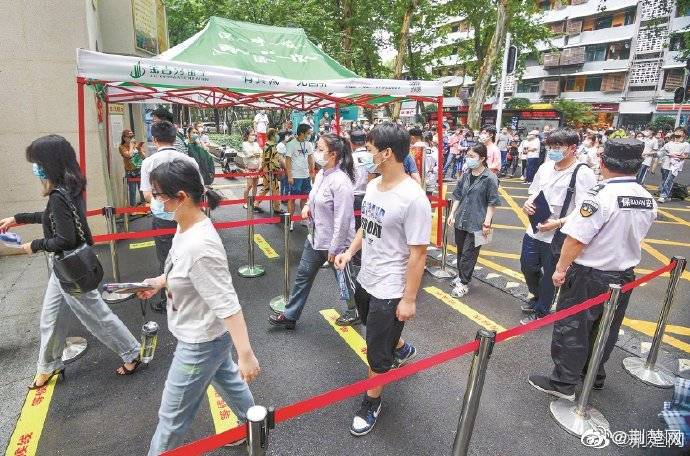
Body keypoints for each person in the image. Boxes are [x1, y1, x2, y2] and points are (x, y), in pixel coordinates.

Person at [138, 160, 259, 455]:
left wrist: (246, 354)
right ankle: (255, 424)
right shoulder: (185, 226)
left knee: (171, 418)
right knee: (229, 380)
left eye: (158, 195)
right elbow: (183, 271)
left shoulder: (199, 246)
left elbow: (228, 304)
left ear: (181, 196)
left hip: (199, 343)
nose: (153, 201)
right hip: (207, 337)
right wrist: (160, 281)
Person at [0, 135, 141, 388]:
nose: (36, 167)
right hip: (69, 265)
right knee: (51, 318)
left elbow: (65, 238)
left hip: (71, 266)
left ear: (50, 163)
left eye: (37, 162)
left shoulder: (58, 194)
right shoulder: (71, 185)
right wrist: (18, 218)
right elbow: (53, 217)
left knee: (96, 317)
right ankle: (47, 366)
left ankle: (131, 352)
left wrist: (32, 246)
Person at [529, 138, 656, 400]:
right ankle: (594, 373)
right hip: (624, 275)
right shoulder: (646, 198)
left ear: (603, 162)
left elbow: (576, 238)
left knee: (573, 327)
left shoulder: (600, 196)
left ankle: (563, 383)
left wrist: (560, 269)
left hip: (590, 275)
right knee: (606, 327)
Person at [334, 122, 431, 436]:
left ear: (387, 153)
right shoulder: (374, 186)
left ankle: (372, 401)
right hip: (367, 277)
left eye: (371, 149)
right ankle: (400, 347)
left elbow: (418, 254)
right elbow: (368, 224)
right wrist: (350, 252)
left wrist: (409, 299)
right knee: (374, 328)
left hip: (391, 287)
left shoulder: (414, 199)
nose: (365, 154)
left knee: (375, 350)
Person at [269, 134, 360, 329]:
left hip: (337, 244)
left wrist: (335, 249)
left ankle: (355, 310)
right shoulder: (320, 174)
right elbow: (313, 196)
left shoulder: (341, 182)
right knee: (303, 276)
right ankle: (290, 315)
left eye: (319, 149)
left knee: (344, 282)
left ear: (333, 154)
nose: (315, 153)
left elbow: (343, 220)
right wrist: (307, 206)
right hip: (316, 238)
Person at [519, 128, 597, 324]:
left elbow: (584, 209)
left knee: (549, 274)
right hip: (534, 228)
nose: (553, 151)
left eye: (557, 147)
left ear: (572, 148)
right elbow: (534, 190)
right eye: (551, 147)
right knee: (528, 266)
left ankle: (542, 310)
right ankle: (537, 296)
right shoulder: (545, 167)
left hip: (558, 234)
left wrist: (559, 222)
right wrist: (528, 202)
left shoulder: (582, 173)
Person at [140, 121, 200, 313]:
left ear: (154, 139)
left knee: (167, 258)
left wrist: (162, 200)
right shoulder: (189, 161)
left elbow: (147, 195)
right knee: (191, 256)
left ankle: (170, 301)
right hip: (188, 217)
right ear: (175, 138)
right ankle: (191, 295)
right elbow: (200, 190)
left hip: (162, 217)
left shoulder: (149, 162)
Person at [446, 143, 500, 298]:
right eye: (467, 155)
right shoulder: (466, 174)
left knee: (469, 254)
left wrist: (487, 222)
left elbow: (492, 202)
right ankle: (461, 275)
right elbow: (457, 195)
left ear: (482, 158)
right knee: (461, 251)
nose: (468, 159)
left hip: (478, 222)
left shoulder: (490, 178)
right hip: (462, 220)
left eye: (472, 156)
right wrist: (452, 214)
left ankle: (463, 283)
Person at [285, 124, 315, 231]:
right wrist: (290, 176)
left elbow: (310, 158)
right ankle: (290, 220)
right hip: (295, 176)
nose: (309, 135)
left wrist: (312, 172)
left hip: (306, 176)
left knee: (304, 198)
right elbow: (287, 161)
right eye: (308, 133)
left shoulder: (309, 144)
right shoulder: (291, 144)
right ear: (302, 133)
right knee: (292, 199)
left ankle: (303, 219)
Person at [657, 127, 690, 203]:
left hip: (676, 165)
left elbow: (685, 156)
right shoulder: (669, 143)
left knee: (669, 180)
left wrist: (676, 156)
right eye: (676, 131)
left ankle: (663, 195)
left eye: (680, 131)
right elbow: (661, 152)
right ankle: (668, 195)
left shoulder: (686, 144)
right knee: (665, 180)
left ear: (684, 134)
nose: (678, 132)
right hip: (666, 163)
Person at [119, 129, 146, 206]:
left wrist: (139, 149)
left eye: (132, 136)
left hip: (139, 169)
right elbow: (129, 155)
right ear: (124, 138)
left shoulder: (136, 145)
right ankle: (133, 208)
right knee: (132, 190)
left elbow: (144, 157)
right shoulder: (122, 147)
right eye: (129, 137)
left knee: (142, 189)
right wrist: (131, 146)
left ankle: (144, 205)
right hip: (130, 171)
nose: (131, 138)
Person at [257, 128, 281, 213]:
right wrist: (261, 169)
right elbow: (267, 159)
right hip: (270, 170)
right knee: (275, 189)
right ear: (272, 136)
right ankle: (277, 208)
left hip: (268, 169)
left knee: (266, 188)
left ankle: (256, 204)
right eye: (276, 134)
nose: (277, 136)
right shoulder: (270, 146)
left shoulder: (271, 145)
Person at [240, 130, 263, 211]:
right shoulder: (244, 144)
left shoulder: (256, 144)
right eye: (251, 135)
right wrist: (255, 154)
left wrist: (255, 155)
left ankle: (253, 201)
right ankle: (245, 202)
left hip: (256, 167)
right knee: (249, 185)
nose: (253, 136)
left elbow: (260, 153)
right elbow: (248, 154)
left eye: (254, 135)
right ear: (247, 135)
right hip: (249, 168)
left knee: (255, 186)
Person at [423, 131, 438, 196]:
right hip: (421, 175)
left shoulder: (434, 150)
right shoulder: (419, 149)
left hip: (430, 175)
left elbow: (438, 165)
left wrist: (432, 170)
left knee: (428, 196)